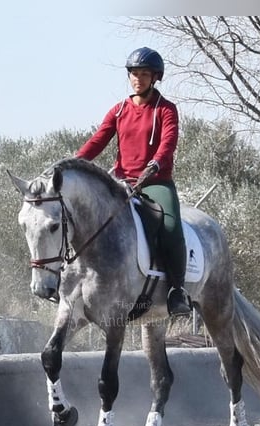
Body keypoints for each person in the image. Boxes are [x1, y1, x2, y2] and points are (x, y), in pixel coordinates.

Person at [75, 47, 191, 316]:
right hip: (121, 181)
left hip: (155, 181)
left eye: (144, 74)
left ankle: (177, 290)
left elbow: (168, 143)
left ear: (155, 77)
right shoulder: (118, 111)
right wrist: (76, 163)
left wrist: (155, 165)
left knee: (172, 227)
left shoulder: (166, 110)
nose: (137, 79)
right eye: (134, 74)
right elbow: (98, 140)